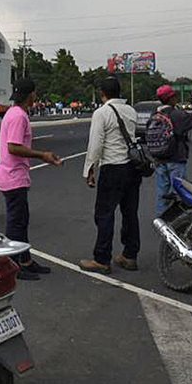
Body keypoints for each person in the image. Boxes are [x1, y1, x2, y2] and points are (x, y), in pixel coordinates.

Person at [0, 77, 62, 280]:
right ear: (30, 94)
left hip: (15, 175)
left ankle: (25, 260)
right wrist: (42, 155)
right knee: (16, 223)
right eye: (34, 92)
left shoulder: (15, 113)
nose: (36, 96)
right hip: (12, 176)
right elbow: (13, 147)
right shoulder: (18, 116)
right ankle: (14, 265)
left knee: (21, 221)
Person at [79, 77, 142, 273]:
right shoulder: (130, 110)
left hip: (113, 168)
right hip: (132, 168)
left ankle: (102, 259)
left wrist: (89, 169)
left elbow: (96, 145)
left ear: (102, 93)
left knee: (104, 214)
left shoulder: (102, 113)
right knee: (130, 213)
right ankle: (129, 255)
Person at [152, 84, 192, 217]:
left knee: (161, 193)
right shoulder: (176, 115)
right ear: (172, 99)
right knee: (179, 192)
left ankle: (161, 220)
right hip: (175, 159)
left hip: (159, 158)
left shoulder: (155, 115)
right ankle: (177, 221)